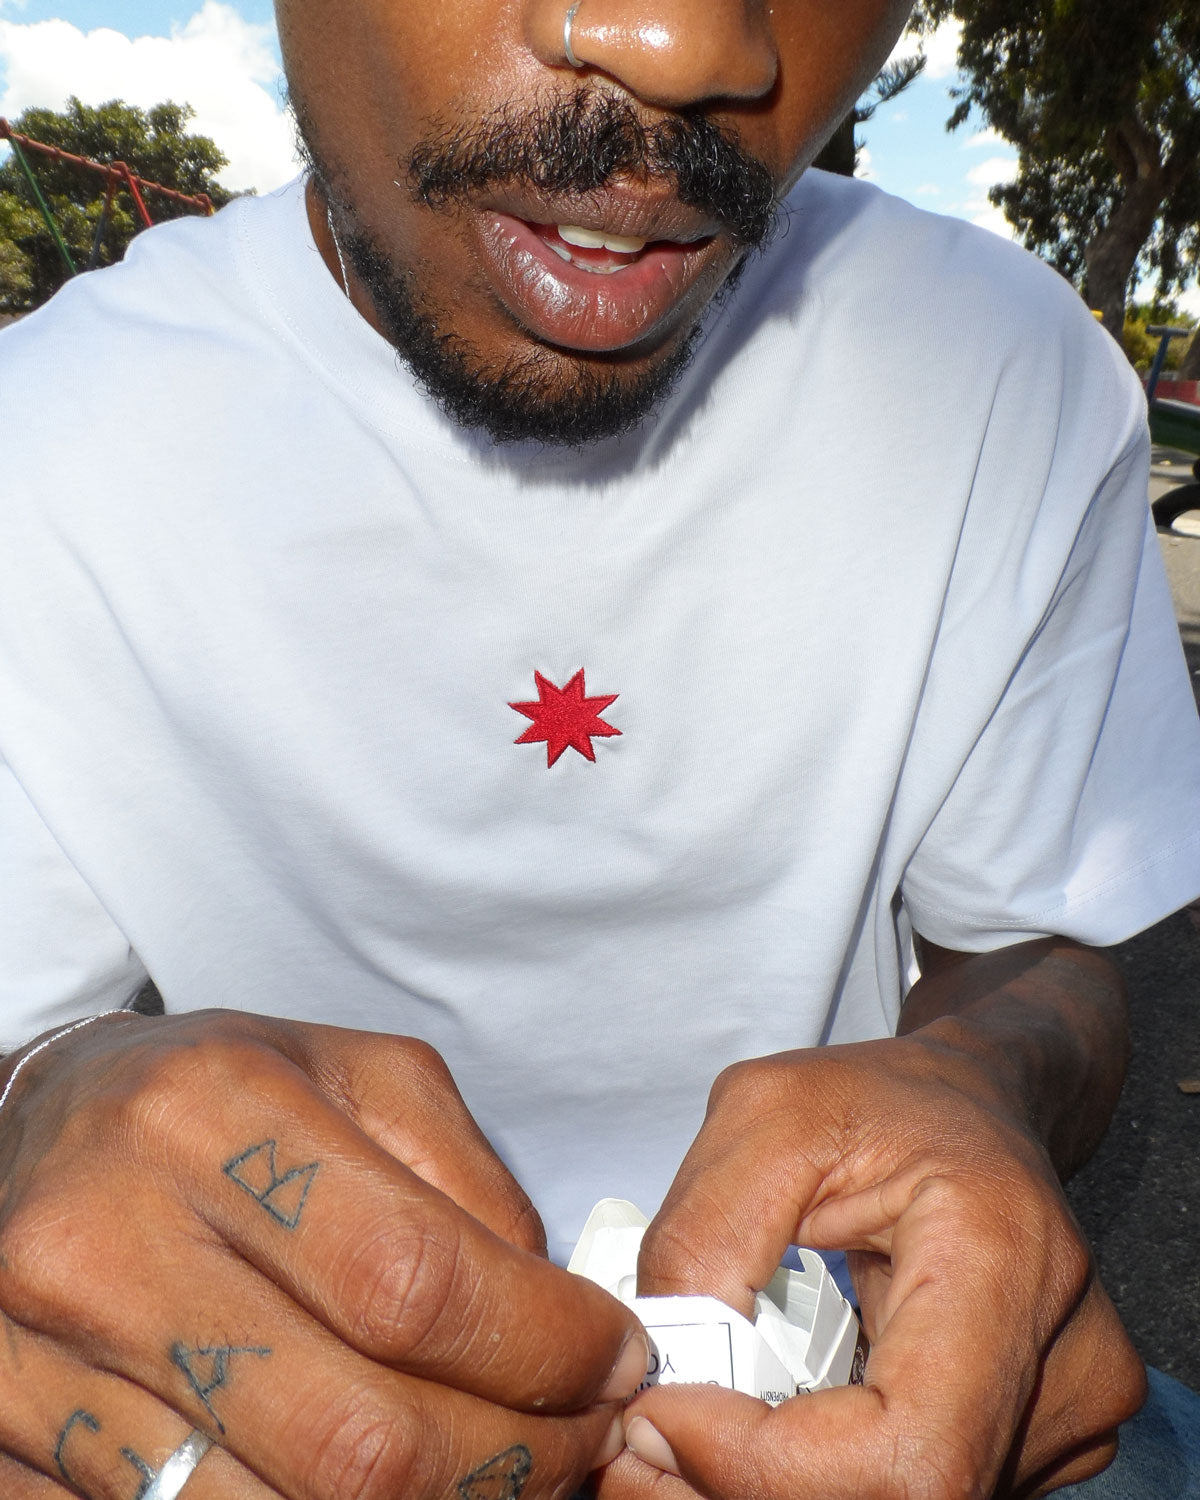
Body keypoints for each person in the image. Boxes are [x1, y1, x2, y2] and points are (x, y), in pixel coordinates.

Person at [0, 0, 1198, 1495]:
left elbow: (1036, 946)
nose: (683, 42)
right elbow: (23, 1065)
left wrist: (983, 1084)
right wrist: (39, 1116)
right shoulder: (35, 451)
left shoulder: (1009, 372)